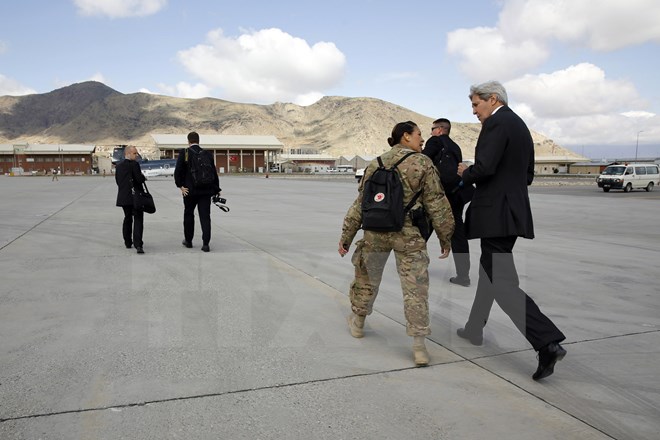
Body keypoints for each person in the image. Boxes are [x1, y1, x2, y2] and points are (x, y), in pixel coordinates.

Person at [457, 81, 566, 380]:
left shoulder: (496, 123)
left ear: (493, 100)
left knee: (501, 282)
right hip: (512, 213)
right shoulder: (520, 126)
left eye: (476, 105)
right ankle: (474, 328)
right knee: (490, 272)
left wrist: (467, 172)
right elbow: (527, 175)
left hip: (496, 215)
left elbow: (486, 167)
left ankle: (546, 341)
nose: (475, 111)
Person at [339, 121, 454, 367]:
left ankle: (358, 323)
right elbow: (437, 203)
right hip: (409, 234)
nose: (422, 140)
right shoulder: (423, 163)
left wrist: (346, 237)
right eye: (419, 134)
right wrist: (446, 237)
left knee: (366, 279)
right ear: (405, 136)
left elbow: (360, 204)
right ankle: (419, 347)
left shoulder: (375, 163)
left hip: (375, 232)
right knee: (415, 289)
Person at [423, 118, 474, 287]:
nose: (430, 132)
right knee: (457, 233)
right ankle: (463, 275)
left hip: (439, 195)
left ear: (439, 130)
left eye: (432, 129)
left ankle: (415, 266)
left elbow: (423, 160)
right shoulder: (455, 146)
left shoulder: (435, 141)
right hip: (457, 194)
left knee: (424, 228)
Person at [174, 131, 220, 252]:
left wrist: (180, 186)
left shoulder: (185, 153)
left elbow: (178, 171)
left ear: (188, 141)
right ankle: (205, 244)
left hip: (190, 190)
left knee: (188, 214)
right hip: (205, 191)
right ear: (199, 141)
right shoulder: (207, 154)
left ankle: (188, 241)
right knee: (205, 217)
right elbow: (213, 173)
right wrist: (216, 189)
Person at [115, 146, 146, 254]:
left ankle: (128, 242)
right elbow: (138, 179)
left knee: (127, 218)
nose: (136, 155)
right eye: (134, 153)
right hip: (135, 197)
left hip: (124, 197)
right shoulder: (135, 165)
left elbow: (118, 181)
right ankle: (138, 244)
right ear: (127, 153)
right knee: (138, 219)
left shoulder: (118, 166)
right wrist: (142, 177)